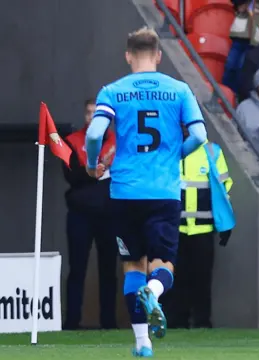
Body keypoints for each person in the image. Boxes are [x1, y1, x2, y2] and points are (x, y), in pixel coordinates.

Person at [85, 27, 208, 357]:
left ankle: (142, 343)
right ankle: (154, 291)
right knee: (163, 263)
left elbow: (96, 132)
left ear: (127, 56)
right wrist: (175, 155)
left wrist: (91, 163)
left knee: (132, 265)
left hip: (124, 191)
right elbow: (199, 136)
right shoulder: (179, 89)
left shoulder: (112, 91)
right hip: (163, 190)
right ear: (158, 55)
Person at [163, 125, 235, 328]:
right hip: (174, 229)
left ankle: (202, 322)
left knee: (202, 279)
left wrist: (225, 223)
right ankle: (177, 321)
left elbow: (224, 189)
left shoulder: (211, 151)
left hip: (203, 229)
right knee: (175, 278)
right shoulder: (169, 150)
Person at [62, 98, 117, 330]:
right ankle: (72, 323)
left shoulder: (119, 142)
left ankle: (109, 323)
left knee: (109, 270)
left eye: (97, 114)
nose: (92, 118)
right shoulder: (72, 142)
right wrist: (96, 170)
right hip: (80, 214)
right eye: (88, 113)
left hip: (110, 215)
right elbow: (71, 176)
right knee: (77, 269)